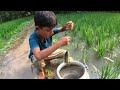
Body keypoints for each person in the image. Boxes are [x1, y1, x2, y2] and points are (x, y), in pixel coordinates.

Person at [28, 11, 74, 79]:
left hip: (47, 53)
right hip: (39, 57)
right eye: (48, 30)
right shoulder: (33, 38)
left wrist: (65, 27)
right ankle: (41, 71)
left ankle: (64, 65)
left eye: (52, 29)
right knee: (36, 59)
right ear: (38, 28)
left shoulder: (49, 31)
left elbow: (61, 29)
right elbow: (38, 55)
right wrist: (59, 43)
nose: (52, 32)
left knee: (65, 53)